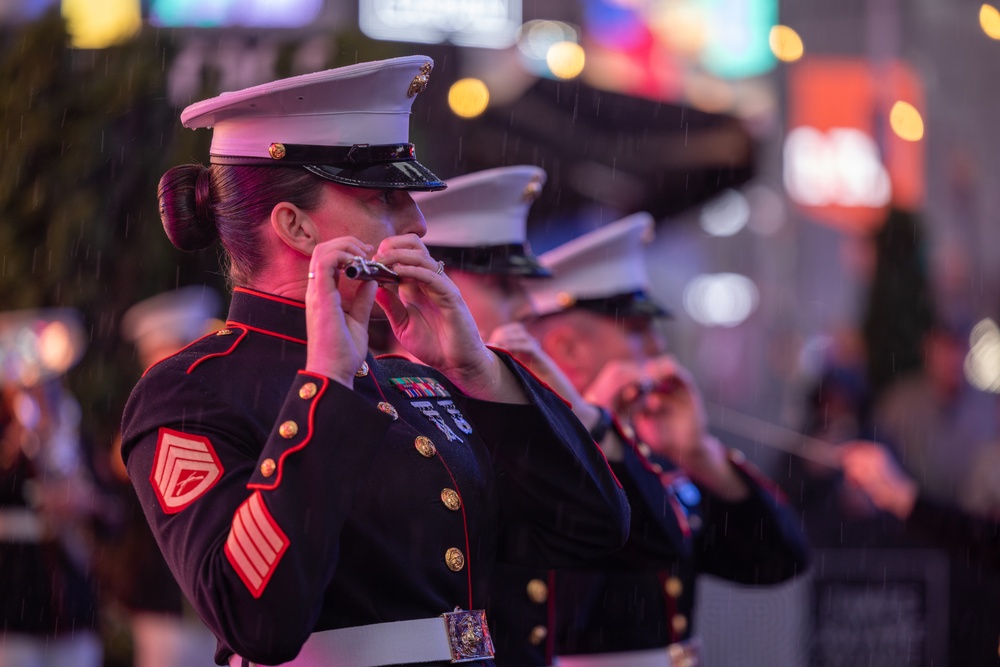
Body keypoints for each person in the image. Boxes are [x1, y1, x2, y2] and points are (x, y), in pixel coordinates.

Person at [119, 55, 630, 667]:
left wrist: (478, 371)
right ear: (296, 227)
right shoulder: (191, 390)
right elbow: (256, 619)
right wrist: (327, 386)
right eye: (385, 197)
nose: (417, 220)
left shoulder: (413, 377)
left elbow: (593, 529)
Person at [523, 213, 810, 666]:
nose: (657, 344)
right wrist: (597, 443)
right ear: (566, 349)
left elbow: (776, 562)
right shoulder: (530, 450)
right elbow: (565, 607)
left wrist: (700, 455)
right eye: (636, 330)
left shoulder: (652, 449)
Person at [413, 164, 606, 666]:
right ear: (426, 282)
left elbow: (609, 529)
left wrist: (583, 417)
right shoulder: (375, 404)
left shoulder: (508, 405)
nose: (527, 306)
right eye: (503, 286)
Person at [106, 287, 223, 667]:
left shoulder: (213, 401)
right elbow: (121, 468)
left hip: (211, 594)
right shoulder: (145, 407)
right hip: (163, 591)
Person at [0, 309, 119, 667]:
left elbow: (113, 517)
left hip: (74, 610)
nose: (40, 392)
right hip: (14, 610)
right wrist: (17, 443)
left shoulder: (74, 438)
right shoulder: (8, 440)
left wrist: (89, 503)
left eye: (47, 382)